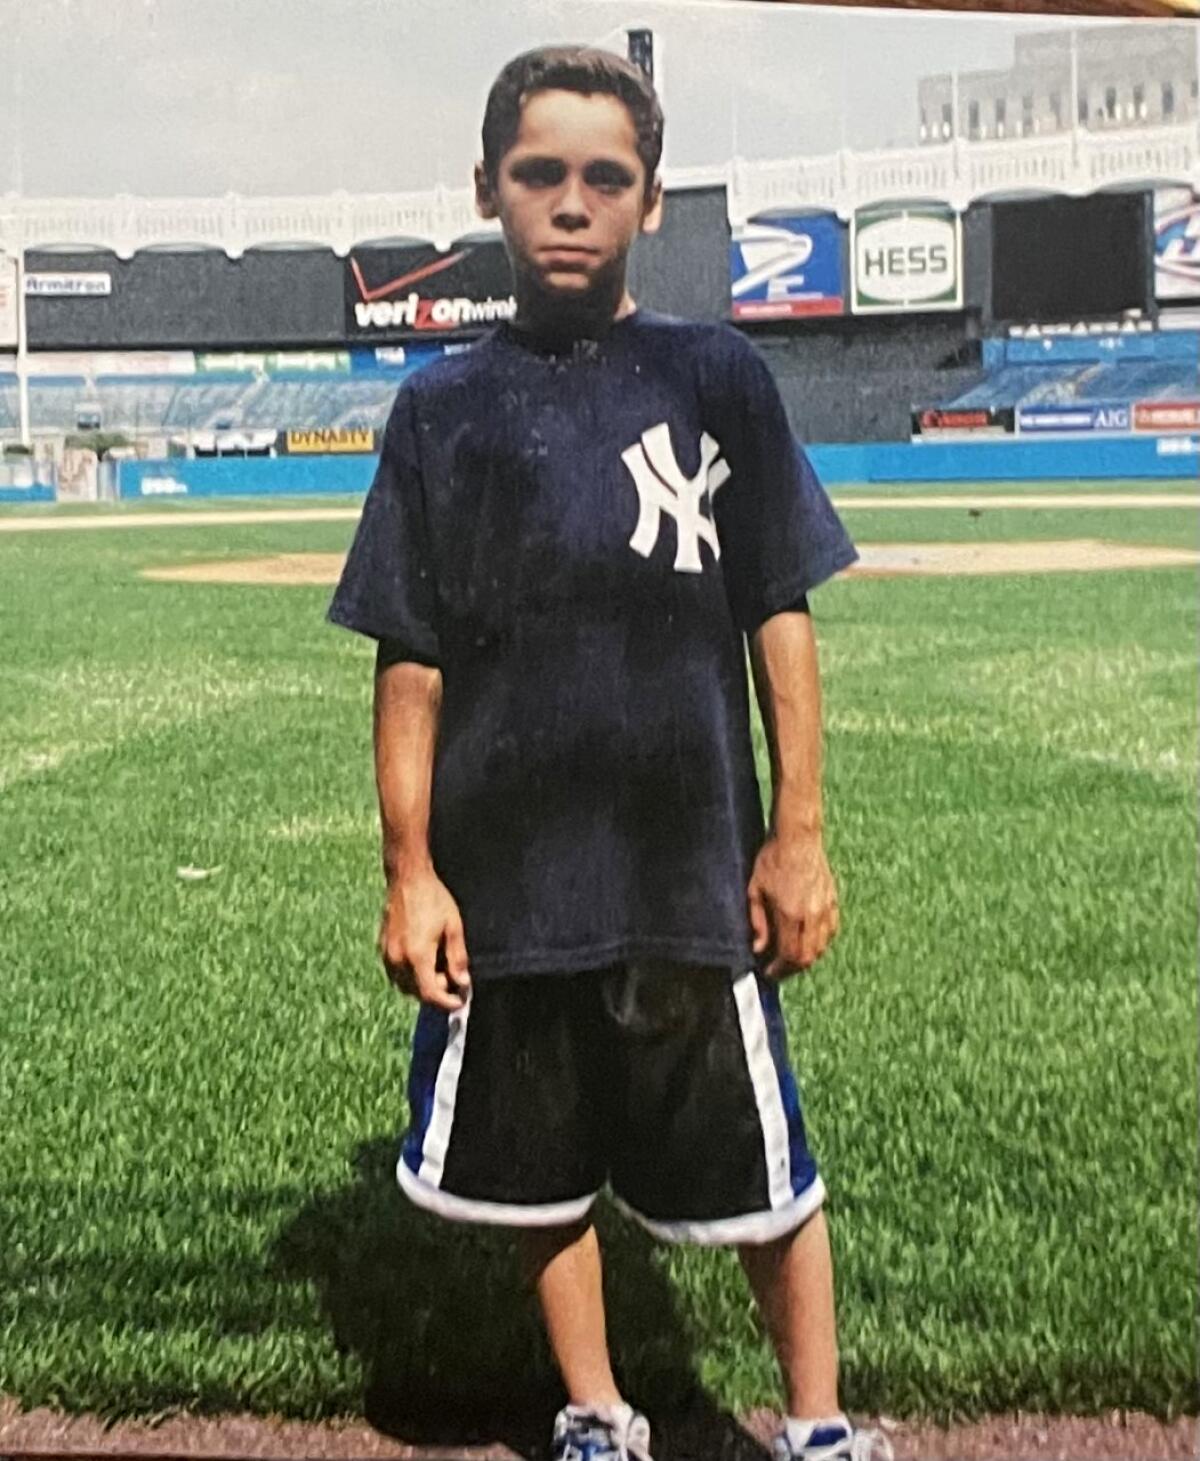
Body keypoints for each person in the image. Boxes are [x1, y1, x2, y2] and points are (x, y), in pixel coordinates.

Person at [327, 44, 891, 1461]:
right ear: (487, 191)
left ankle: (818, 1427)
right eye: (539, 175)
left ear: (649, 199)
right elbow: (411, 659)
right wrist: (411, 871)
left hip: (689, 874)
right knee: (538, 1181)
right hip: (509, 888)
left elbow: (778, 609)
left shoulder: (718, 375)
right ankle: (595, 1408)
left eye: (604, 177)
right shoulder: (440, 410)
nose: (569, 203)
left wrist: (800, 832)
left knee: (767, 1177)